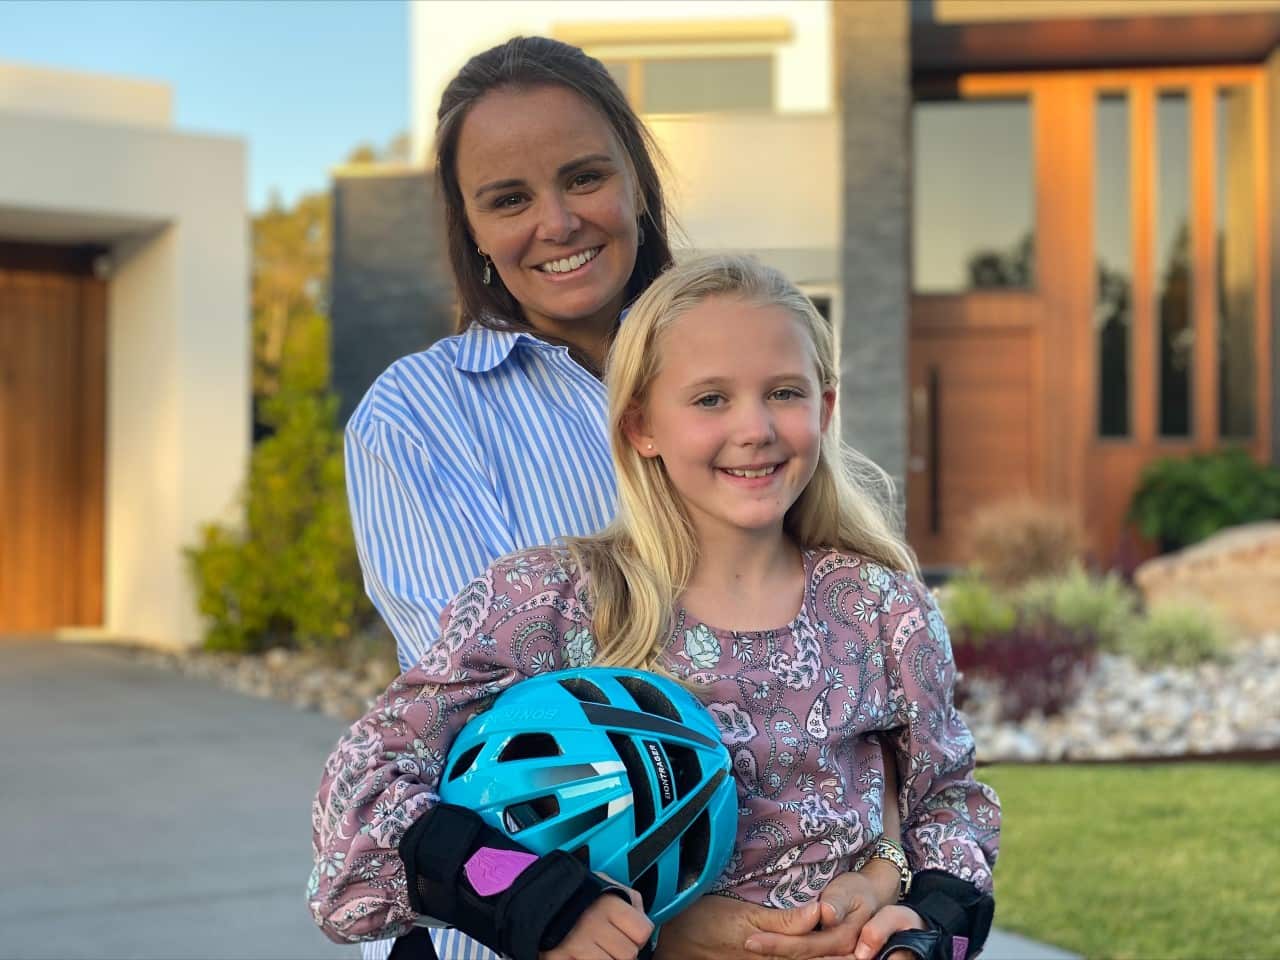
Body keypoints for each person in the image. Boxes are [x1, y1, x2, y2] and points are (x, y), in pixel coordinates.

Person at [340, 35, 909, 960]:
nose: (558, 221)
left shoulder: (738, 359)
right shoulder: (416, 418)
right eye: (509, 199)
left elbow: (844, 666)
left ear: (638, 182)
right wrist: (680, 924)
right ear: (472, 229)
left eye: (584, 176)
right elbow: (506, 726)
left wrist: (876, 866)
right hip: (535, 929)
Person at [312, 254, 1001, 960]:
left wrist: (921, 918)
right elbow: (364, 790)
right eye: (710, 399)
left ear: (825, 410)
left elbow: (948, 801)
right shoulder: (554, 603)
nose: (756, 428)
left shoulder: (883, 608)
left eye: (785, 393)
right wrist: (543, 904)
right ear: (641, 424)